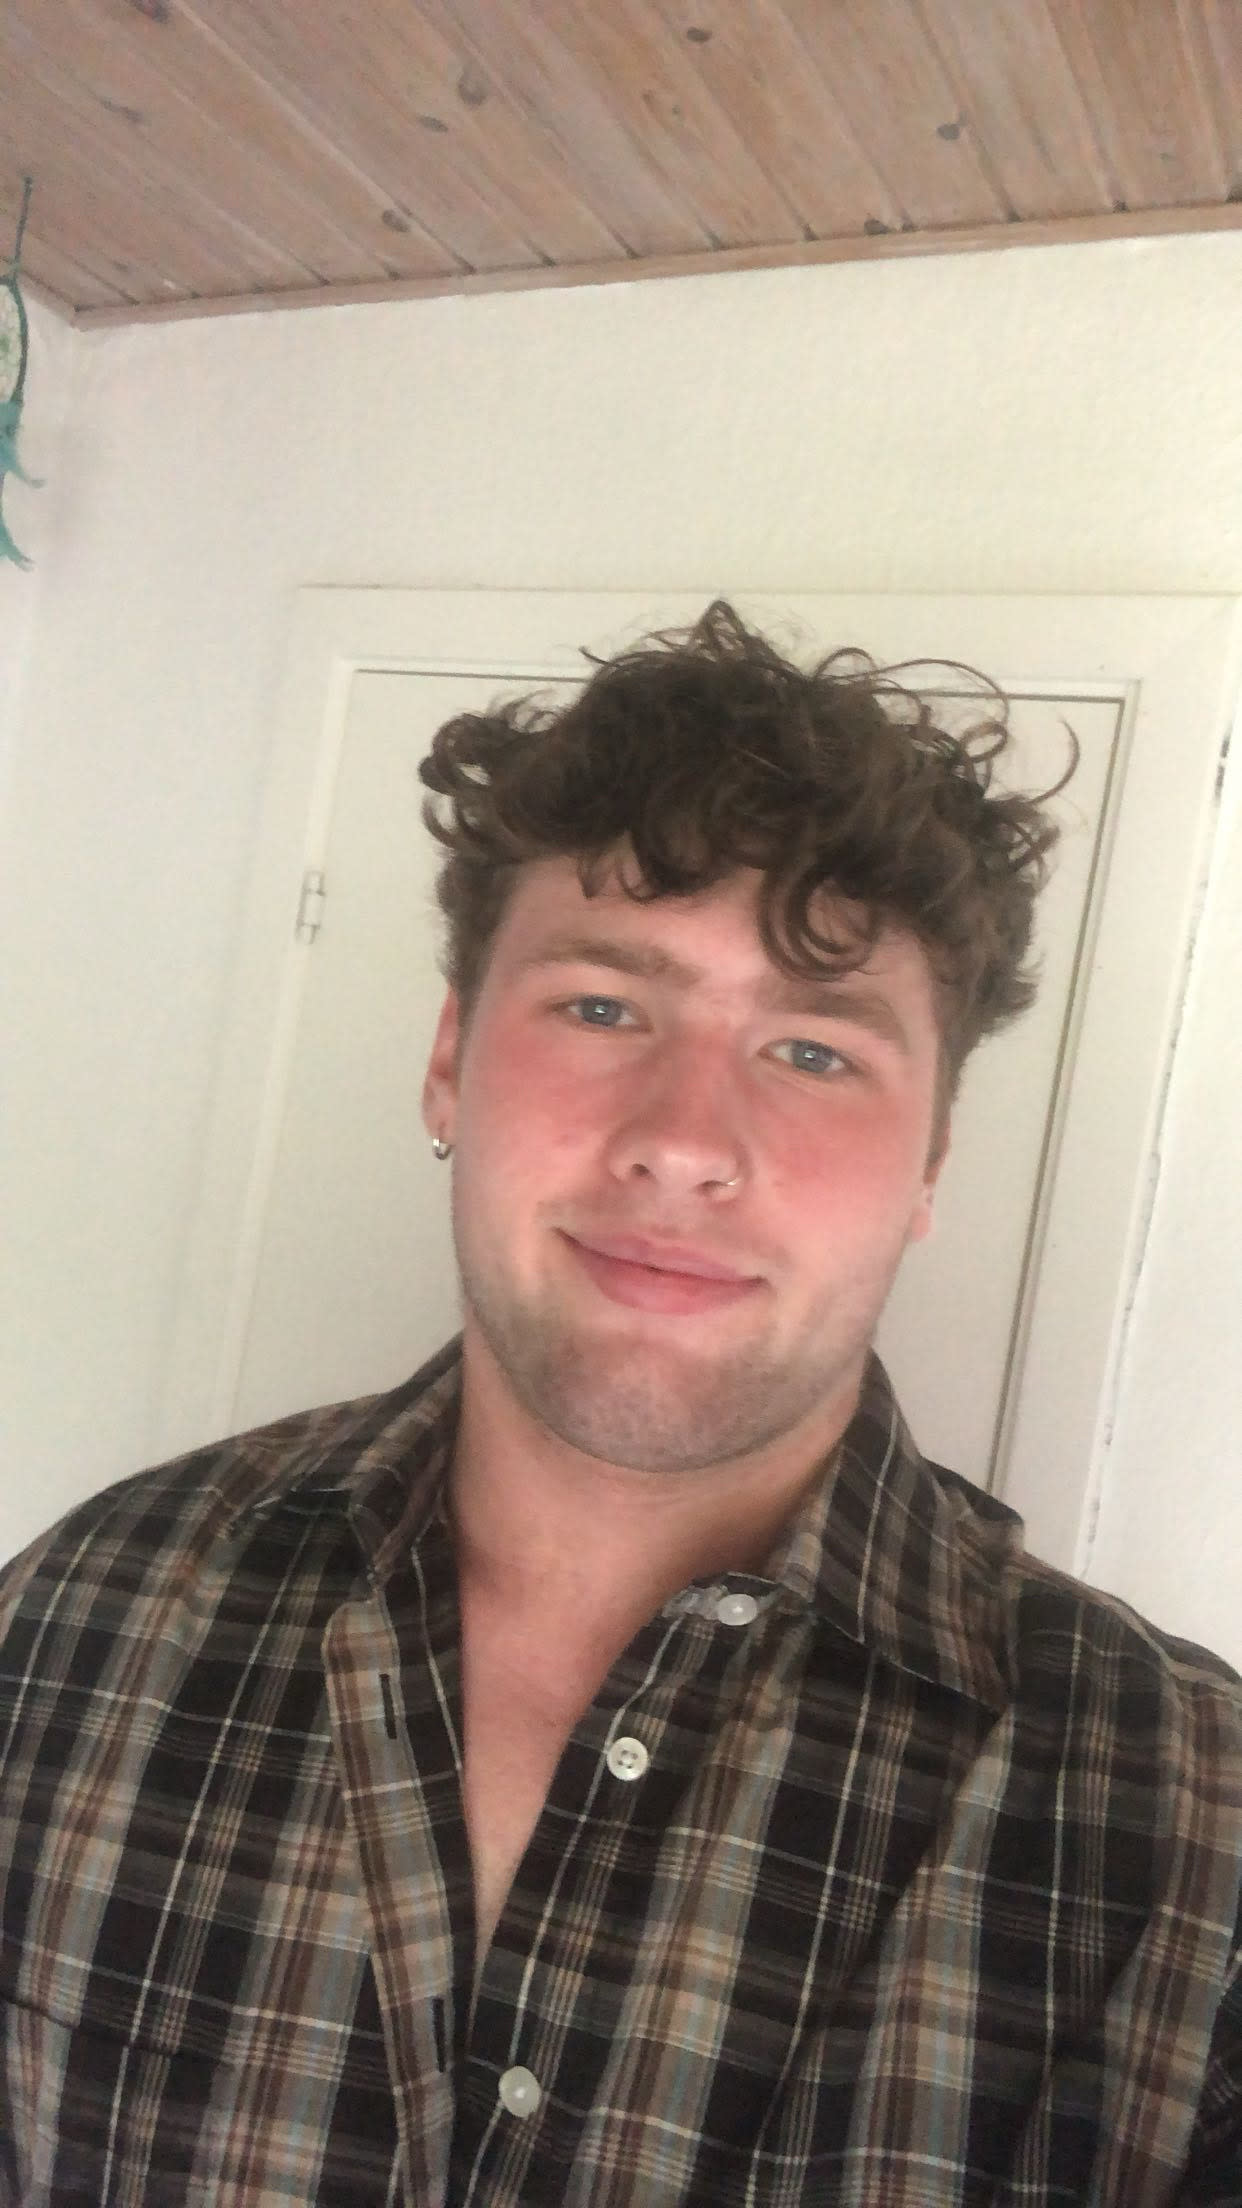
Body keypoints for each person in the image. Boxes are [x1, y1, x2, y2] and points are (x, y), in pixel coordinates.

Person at [1, 602, 1238, 2208]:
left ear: (929, 1163)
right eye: (600, 1007)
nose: (684, 1142)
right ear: (449, 1063)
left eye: (812, 1050)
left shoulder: (1189, 1832)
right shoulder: (76, 1616)